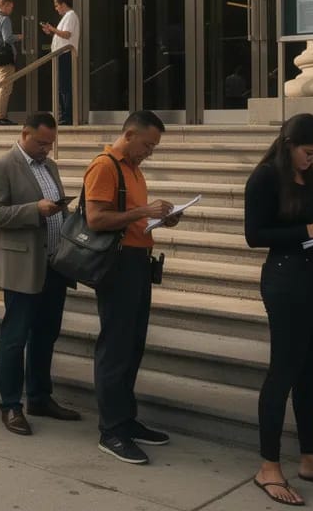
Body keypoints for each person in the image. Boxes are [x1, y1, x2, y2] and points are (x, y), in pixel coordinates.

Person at [243, 114, 313, 503]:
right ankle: (268, 466)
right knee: (284, 371)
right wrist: (309, 231)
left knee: (311, 372)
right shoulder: (264, 178)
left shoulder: (311, 177)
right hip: (286, 281)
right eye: (309, 152)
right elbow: (254, 235)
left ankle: (311, 459)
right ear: (290, 144)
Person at [80, 110, 179, 465]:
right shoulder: (105, 166)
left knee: (133, 343)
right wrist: (142, 213)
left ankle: (126, 419)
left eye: (154, 146)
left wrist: (158, 218)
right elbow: (95, 218)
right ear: (130, 134)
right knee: (116, 345)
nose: (150, 151)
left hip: (138, 261)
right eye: (148, 144)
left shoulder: (133, 169)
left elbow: (132, 216)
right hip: (117, 264)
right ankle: (111, 429)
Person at [0, 112, 79, 436]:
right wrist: (33, 210)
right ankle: (10, 405)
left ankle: (39, 396)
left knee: (46, 334)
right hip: (22, 266)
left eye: (50, 144)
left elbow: (57, 209)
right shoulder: (2, 166)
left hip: (54, 264)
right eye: (41, 143)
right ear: (24, 134)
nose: (46, 150)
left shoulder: (50, 167)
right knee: (16, 337)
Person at [40, 0, 79, 125]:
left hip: (66, 54)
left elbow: (67, 34)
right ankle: (64, 115)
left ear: (63, 5)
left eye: (57, 6)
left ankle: (67, 116)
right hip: (60, 55)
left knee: (65, 86)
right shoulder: (66, 17)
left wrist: (52, 29)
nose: (56, 9)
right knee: (61, 86)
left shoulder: (71, 16)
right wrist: (51, 31)